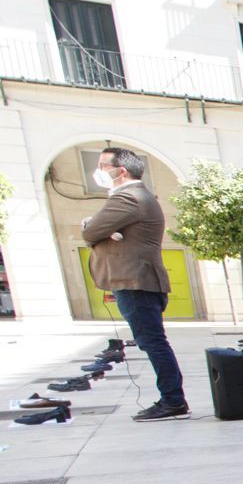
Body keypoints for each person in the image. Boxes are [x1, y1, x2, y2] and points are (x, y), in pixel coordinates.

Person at [81, 147, 186, 421]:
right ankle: (173, 399)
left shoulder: (129, 197)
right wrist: (105, 233)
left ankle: (173, 400)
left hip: (137, 282)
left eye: (103, 166)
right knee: (153, 342)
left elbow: (91, 232)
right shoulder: (135, 197)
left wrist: (95, 229)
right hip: (137, 281)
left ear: (122, 171)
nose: (99, 172)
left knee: (153, 342)